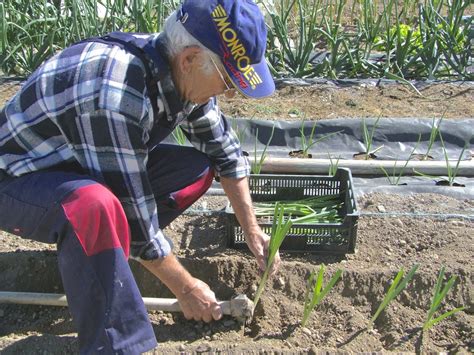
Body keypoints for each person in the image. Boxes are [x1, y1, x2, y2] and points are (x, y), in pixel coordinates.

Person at [0, 0, 280, 353]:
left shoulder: (175, 67)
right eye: (227, 80)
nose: (229, 92)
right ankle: (116, 344)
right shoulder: (114, 93)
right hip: (17, 180)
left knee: (194, 170)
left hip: (79, 164)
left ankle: (96, 260)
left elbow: (223, 150)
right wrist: (186, 288)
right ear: (190, 58)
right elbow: (134, 213)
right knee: (94, 205)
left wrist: (251, 229)